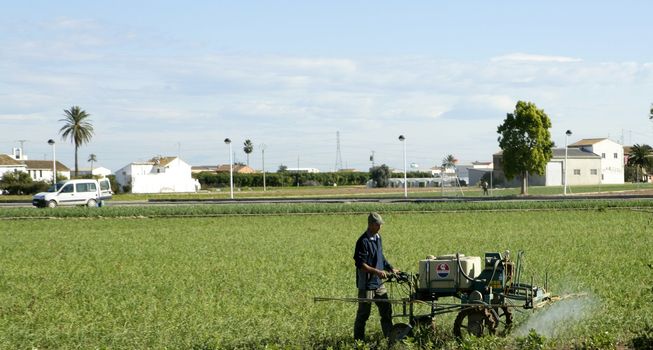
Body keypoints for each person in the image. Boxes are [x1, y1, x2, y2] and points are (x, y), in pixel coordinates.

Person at [353, 212, 399, 341]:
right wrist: (377, 272)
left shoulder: (378, 238)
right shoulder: (363, 241)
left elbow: (380, 257)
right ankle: (359, 341)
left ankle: (390, 338)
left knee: (386, 310)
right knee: (363, 314)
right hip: (367, 285)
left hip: (379, 284)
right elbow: (360, 264)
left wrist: (390, 268)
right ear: (371, 225)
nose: (380, 227)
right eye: (378, 225)